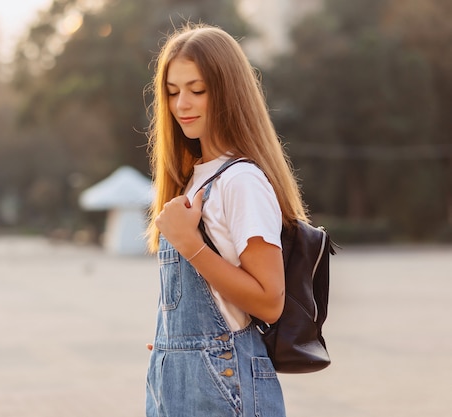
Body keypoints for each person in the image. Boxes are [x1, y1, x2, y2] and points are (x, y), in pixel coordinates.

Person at [144, 24, 309, 417]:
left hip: (223, 381)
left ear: (228, 92)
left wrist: (193, 246)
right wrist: (175, 342)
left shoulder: (241, 180)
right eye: (172, 92)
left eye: (197, 90)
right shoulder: (191, 177)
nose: (182, 103)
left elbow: (270, 302)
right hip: (175, 379)